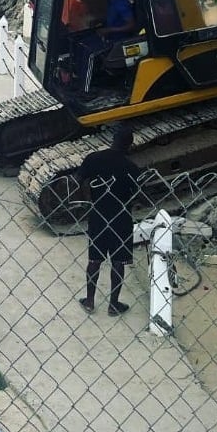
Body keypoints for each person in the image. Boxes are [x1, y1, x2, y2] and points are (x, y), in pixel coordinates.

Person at [78, 124, 140, 316]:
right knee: (118, 262)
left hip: (98, 215)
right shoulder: (131, 168)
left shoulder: (94, 159)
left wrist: (89, 200)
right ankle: (113, 304)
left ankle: (89, 300)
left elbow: (79, 179)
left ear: (112, 139)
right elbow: (137, 195)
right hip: (121, 218)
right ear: (129, 145)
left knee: (94, 259)